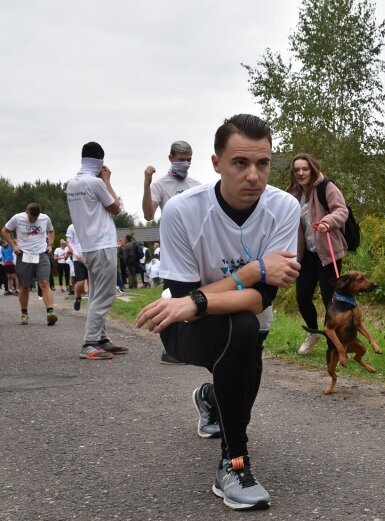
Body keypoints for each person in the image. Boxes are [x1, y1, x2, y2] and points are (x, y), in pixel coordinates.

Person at [135, 114, 300, 511]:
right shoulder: (181, 211)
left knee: (242, 387)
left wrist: (202, 298)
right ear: (216, 163)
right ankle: (234, 464)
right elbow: (187, 305)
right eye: (240, 163)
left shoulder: (284, 207)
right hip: (182, 326)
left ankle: (210, 397)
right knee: (238, 329)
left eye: (263, 164)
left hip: (231, 316)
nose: (253, 176)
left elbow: (263, 299)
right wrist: (254, 270)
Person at [66, 141, 129, 360]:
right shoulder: (95, 183)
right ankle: (90, 342)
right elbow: (115, 207)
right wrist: (107, 180)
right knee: (105, 294)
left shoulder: (72, 184)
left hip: (88, 246)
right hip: (103, 243)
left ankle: (101, 338)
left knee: (95, 294)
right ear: (100, 160)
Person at [143, 141, 201, 364]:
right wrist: (147, 183)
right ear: (170, 158)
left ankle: (193, 345)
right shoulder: (160, 185)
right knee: (172, 296)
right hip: (172, 251)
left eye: (188, 159)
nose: (184, 163)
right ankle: (171, 348)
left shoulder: (196, 184)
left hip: (194, 249)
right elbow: (148, 214)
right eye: (180, 159)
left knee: (195, 295)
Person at [285, 153, 349, 355]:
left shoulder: (326, 187)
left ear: (313, 169)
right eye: (297, 170)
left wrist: (327, 222)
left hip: (328, 251)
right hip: (306, 254)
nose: (301, 173)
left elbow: (341, 210)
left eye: (305, 169)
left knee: (329, 297)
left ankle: (334, 342)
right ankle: (314, 332)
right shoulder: (292, 194)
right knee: (302, 296)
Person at [2, 203, 58, 326]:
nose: (34, 220)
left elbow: (51, 231)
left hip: (41, 254)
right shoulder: (17, 218)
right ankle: (24, 313)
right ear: (26, 212)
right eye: (32, 218)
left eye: (36, 218)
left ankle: (50, 312)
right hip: (24, 254)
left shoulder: (45, 218)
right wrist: (14, 246)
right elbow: (5, 231)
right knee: (25, 286)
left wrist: (50, 244)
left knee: (44, 282)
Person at [66, 223, 88, 311]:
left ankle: (93, 307)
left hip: (91, 257)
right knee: (81, 283)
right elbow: (69, 244)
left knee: (93, 283)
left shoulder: (91, 223)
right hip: (78, 258)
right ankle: (78, 297)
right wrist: (77, 255)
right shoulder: (71, 227)